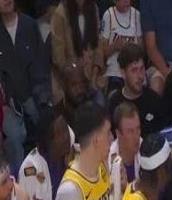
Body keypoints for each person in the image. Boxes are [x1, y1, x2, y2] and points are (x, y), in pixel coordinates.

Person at [0, 0, 50, 171]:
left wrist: (42, 98)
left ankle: (49, 175)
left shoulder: (30, 25)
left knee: (49, 122)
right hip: (7, 102)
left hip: (34, 94)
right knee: (15, 136)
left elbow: (41, 66)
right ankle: (18, 179)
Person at [51, 0, 104, 105]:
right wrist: (77, 68)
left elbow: (98, 47)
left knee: (100, 103)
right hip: (71, 79)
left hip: (92, 76)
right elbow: (59, 56)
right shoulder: (60, 14)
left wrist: (93, 77)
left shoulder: (94, 8)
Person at [108, 43, 166, 136]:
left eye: (142, 69)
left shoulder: (154, 100)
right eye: (134, 70)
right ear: (123, 73)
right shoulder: (114, 104)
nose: (140, 76)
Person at [100, 0, 142, 95]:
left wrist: (130, 48)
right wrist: (115, 46)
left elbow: (141, 49)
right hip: (114, 72)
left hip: (134, 71)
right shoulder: (108, 15)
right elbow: (103, 52)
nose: (126, 1)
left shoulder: (136, 15)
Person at [55, 61, 106, 128]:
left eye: (82, 83)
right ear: (64, 86)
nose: (79, 90)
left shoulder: (93, 110)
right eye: (74, 85)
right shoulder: (56, 115)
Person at [109, 102, 141, 183]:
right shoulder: (107, 159)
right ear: (118, 134)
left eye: (138, 128)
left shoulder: (146, 152)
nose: (136, 136)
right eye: (130, 131)